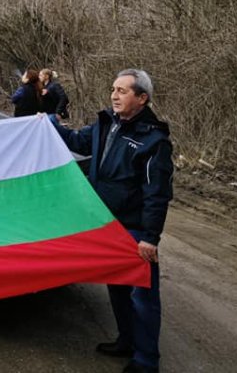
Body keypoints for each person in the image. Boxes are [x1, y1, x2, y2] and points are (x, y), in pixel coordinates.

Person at [50, 69, 173, 373]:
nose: (115, 96)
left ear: (142, 98)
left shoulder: (154, 142)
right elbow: (78, 141)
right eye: (113, 89)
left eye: (123, 91)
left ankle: (146, 361)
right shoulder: (107, 123)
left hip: (134, 229)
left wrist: (150, 237)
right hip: (106, 224)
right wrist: (49, 125)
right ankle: (126, 341)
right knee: (117, 286)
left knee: (142, 296)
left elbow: (157, 194)